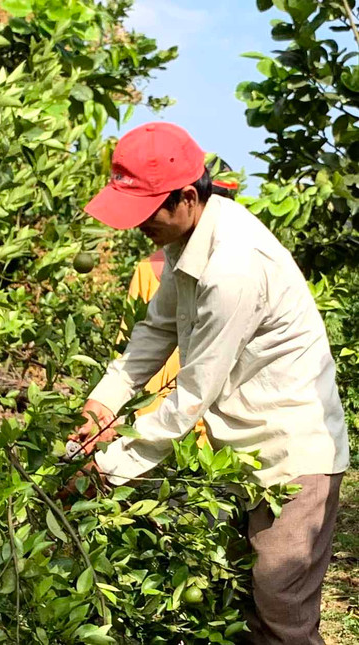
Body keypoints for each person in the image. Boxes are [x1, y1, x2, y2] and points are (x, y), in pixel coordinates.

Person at [74, 122, 349, 644]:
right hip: (243, 452)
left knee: (281, 618)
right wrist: (100, 405)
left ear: (184, 198)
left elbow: (194, 391)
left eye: (146, 212)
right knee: (243, 609)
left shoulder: (234, 267)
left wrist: (109, 467)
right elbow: (155, 331)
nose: (137, 227)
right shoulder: (189, 240)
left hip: (290, 456)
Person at [121, 159, 239, 444]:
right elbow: (150, 336)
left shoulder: (233, 268)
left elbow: (132, 340)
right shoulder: (166, 262)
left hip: (171, 412)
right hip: (173, 417)